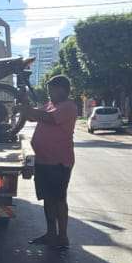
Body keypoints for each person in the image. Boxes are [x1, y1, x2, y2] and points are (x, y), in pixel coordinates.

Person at [19, 74, 78, 249]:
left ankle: (63, 236)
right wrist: (25, 103)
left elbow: (48, 118)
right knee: (48, 199)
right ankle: (51, 233)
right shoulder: (51, 105)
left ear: (61, 89)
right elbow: (32, 117)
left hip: (58, 162)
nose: (49, 93)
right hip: (44, 160)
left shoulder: (68, 107)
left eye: (50, 90)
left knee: (59, 199)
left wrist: (25, 106)